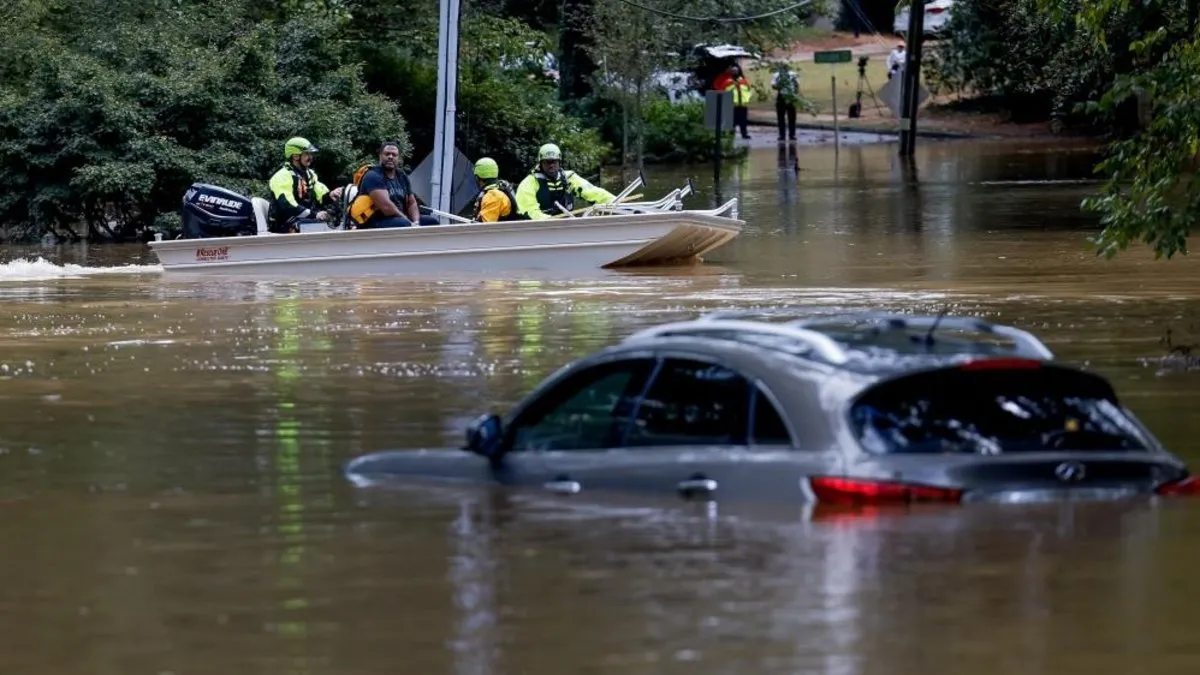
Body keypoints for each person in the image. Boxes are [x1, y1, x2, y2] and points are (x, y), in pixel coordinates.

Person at [349, 141, 438, 228]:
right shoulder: (373, 176)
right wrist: (409, 223)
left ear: (398, 158)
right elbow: (386, 207)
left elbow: (411, 203)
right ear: (380, 156)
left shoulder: (401, 176)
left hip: (398, 219)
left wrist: (416, 222)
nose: (390, 157)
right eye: (387, 154)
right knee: (403, 224)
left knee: (431, 222)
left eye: (394, 155)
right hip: (376, 221)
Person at [515, 143, 615, 220]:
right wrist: (548, 220)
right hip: (542, 227)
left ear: (559, 162)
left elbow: (594, 193)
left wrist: (614, 202)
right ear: (541, 163)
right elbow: (529, 210)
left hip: (566, 223)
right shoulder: (529, 183)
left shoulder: (569, 177)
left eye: (554, 161)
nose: (551, 165)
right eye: (547, 162)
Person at [268, 137, 343, 233]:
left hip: (300, 220)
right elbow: (287, 205)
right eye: (307, 154)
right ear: (295, 156)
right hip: (283, 224)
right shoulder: (282, 176)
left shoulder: (309, 174)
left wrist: (331, 195)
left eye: (311, 154)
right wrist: (314, 214)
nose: (311, 157)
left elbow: (319, 193)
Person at [470, 157, 522, 223]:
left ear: (478, 177)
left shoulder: (493, 196)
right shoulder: (499, 187)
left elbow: (485, 228)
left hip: (502, 232)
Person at [723, 65, 753, 140]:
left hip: (743, 104)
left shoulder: (744, 81)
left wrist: (747, 99)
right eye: (733, 71)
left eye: (736, 71)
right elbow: (725, 91)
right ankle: (731, 135)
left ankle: (744, 134)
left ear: (739, 72)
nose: (735, 72)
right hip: (733, 105)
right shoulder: (728, 81)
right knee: (732, 121)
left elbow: (749, 90)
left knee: (743, 121)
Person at [771, 64, 800, 142]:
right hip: (781, 96)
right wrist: (779, 85)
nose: (784, 68)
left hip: (791, 96)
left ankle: (792, 134)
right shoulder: (777, 75)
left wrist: (795, 95)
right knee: (781, 117)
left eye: (785, 67)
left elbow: (797, 85)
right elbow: (773, 85)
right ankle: (782, 135)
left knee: (792, 117)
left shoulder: (793, 74)